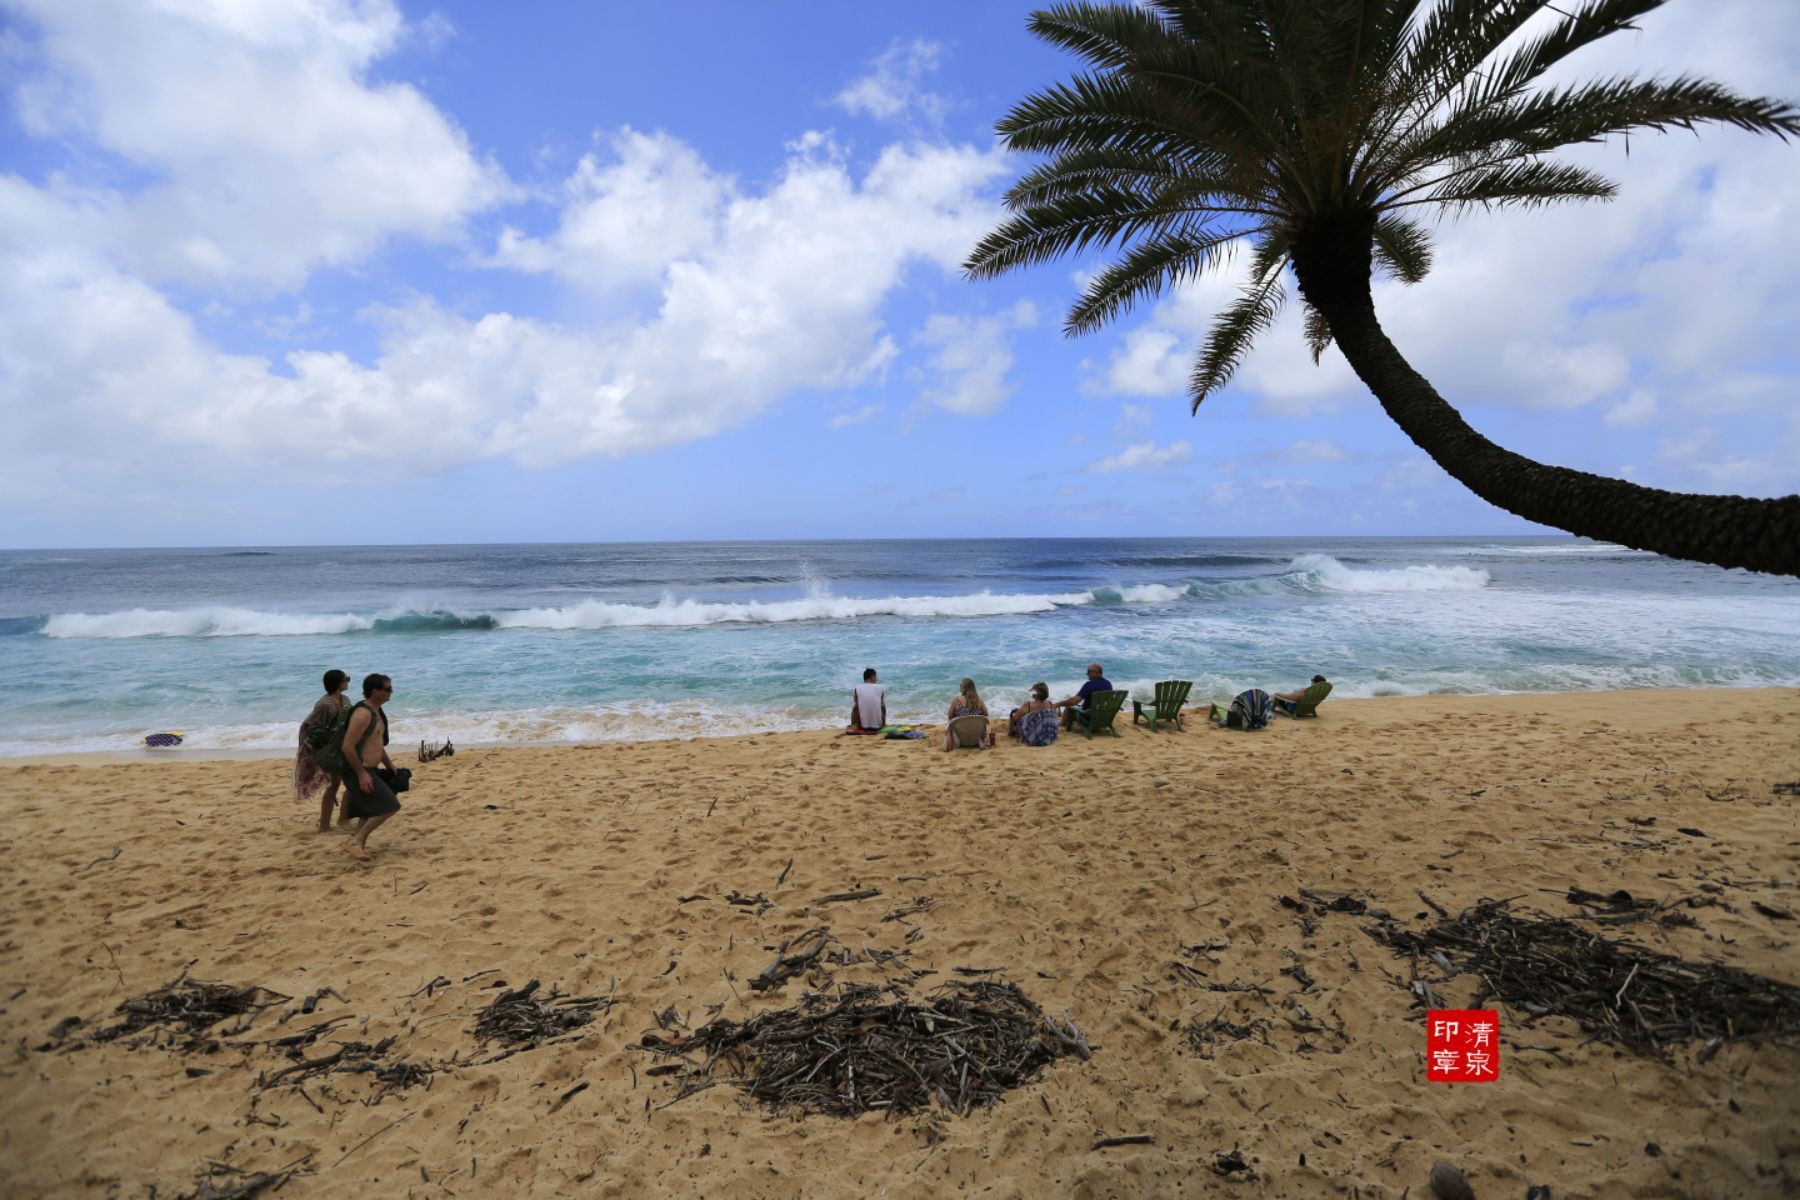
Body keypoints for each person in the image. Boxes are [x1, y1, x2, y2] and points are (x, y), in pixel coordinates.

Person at [340, 673, 400, 863]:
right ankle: (356, 842)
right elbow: (347, 746)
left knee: (368, 811)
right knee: (390, 806)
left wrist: (388, 763)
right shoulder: (363, 713)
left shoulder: (377, 711)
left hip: (371, 769)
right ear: (375, 692)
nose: (391, 692)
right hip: (359, 770)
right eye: (388, 689)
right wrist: (361, 774)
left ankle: (359, 847)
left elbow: (376, 744)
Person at [294, 669, 350, 832]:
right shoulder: (324, 704)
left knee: (338, 784)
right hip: (329, 748)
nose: (348, 681)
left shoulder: (345, 699)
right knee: (338, 784)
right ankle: (332, 823)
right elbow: (313, 728)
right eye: (346, 678)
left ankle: (335, 821)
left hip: (339, 746)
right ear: (338, 682)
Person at [1056, 663, 1113, 730]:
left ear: (1095, 672)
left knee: (1069, 706)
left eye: (1089, 671)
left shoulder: (1089, 685)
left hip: (1088, 718)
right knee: (1076, 705)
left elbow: (1074, 701)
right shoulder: (1108, 684)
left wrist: (1058, 704)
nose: (1087, 674)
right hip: (1102, 718)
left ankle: (1062, 723)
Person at [942, 677, 989, 751]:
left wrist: (958, 714)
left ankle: (951, 743)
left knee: (949, 721)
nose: (959, 687)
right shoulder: (979, 700)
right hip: (975, 737)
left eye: (961, 686)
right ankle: (981, 740)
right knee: (982, 720)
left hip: (961, 738)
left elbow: (949, 715)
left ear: (965, 688)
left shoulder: (957, 700)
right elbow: (986, 714)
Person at [847, 667, 886, 733]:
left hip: (862, 727)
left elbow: (856, 702)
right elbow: (881, 703)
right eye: (876, 677)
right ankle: (883, 724)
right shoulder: (880, 688)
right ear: (872, 677)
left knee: (855, 706)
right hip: (878, 727)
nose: (876, 679)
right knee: (882, 706)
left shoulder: (857, 688)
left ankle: (853, 726)